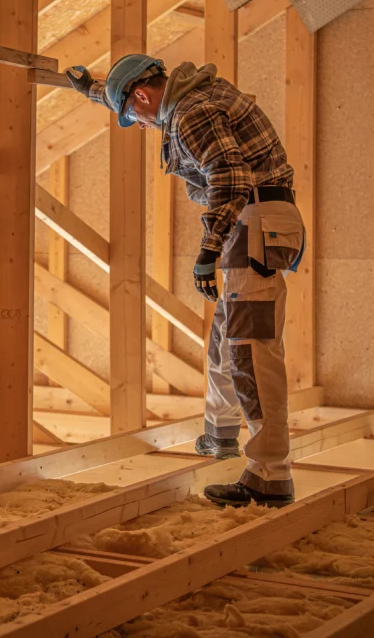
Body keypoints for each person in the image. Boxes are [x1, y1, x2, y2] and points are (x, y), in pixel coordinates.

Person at [65, 56, 305, 508]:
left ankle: (271, 475)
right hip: (254, 223)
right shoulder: (188, 100)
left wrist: (208, 251)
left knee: (251, 351)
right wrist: (91, 90)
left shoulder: (190, 113)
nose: (138, 126)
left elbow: (230, 178)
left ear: (142, 94)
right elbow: (144, 108)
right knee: (227, 339)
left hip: (252, 223)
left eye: (132, 115)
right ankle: (221, 434)